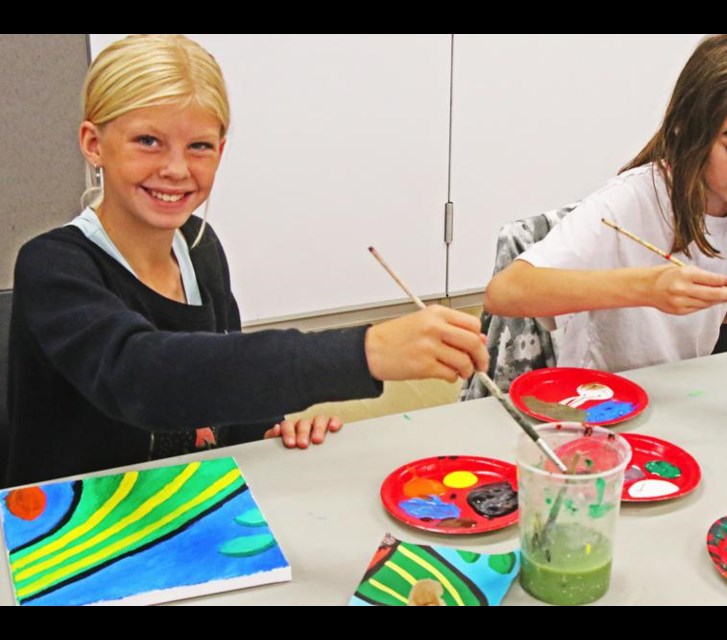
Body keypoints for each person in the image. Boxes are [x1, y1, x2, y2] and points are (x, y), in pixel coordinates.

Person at [5, 34, 488, 486]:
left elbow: (218, 384)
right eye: (147, 141)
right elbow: (143, 378)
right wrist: (366, 351)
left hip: (191, 504)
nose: (175, 169)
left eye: (199, 147)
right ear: (94, 144)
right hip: (72, 526)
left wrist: (272, 428)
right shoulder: (52, 266)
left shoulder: (199, 246)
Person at [484, 34, 727, 374]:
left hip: (679, 387)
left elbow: (721, 308)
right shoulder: (631, 202)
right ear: (686, 129)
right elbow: (505, 292)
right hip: (602, 397)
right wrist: (647, 288)